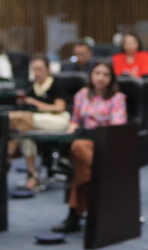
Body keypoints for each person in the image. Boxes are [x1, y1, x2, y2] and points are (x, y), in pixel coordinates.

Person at [53, 63, 127, 233]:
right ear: (91, 75)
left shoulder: (117, 98)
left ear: (111, 79)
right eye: (97, 73)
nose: (100, 78)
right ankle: (99, 200)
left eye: (105, 74)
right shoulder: (82, 95)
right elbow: (75, 121)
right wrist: (71, 130)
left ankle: (74, 214)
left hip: (106, 146)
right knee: (79, 146)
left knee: (82, 168)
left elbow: (116, 127)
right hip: (82, 143)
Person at [8, 55, 69, 190]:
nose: (37, 73)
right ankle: (33, 175)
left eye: (40, 69)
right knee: (26, 135)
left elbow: (60, 108)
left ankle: (9, 153)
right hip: (35, 123)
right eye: (34, 69)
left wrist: (38, 104)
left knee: (18, 119)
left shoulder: (55, 83)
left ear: (47, 69)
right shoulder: (32, 88)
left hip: (57, 120)